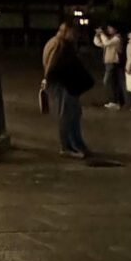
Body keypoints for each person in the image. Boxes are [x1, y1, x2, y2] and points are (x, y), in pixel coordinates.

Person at [42, 19, 95, 158]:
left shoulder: (58, 42)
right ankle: (67, 146)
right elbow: (52, 67)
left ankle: (76, 144)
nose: (75, 35)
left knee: (72, 114)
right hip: (63, 85)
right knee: (67, 115)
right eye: (73, 32)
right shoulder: (60, 44)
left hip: (65, 85)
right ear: (67, 32)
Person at [94, 22, 124, 108]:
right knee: (113, 82)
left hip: (113, 62)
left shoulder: (117, 38)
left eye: (110, 28)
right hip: (109, 62)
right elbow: (99, 43)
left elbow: (106, 43)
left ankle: (114, 101)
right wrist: (97, 35)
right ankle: (116, 101)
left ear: (115, 29)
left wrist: (102, 34)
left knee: (108, 81)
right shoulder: (111, 38)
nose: (108, 30)